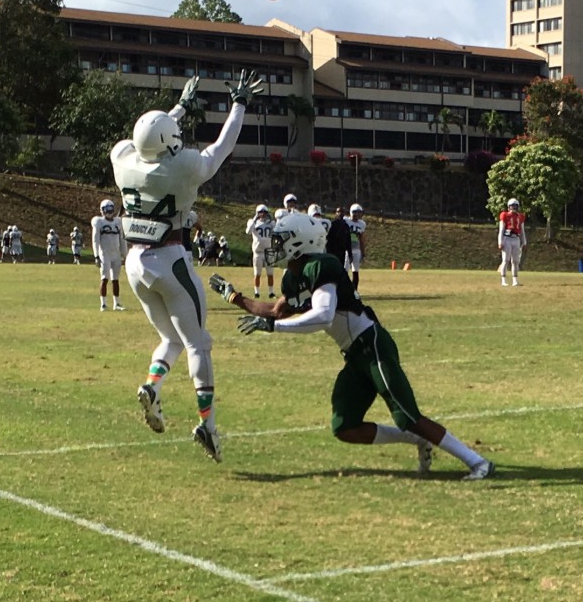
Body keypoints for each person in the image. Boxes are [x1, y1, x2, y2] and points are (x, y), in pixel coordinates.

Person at [209, 213, 495, 480]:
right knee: (344, 426)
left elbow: (323, 315)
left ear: (299, 241)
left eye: (281, 240)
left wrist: (276, 328)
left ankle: (478, 462)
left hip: (371, 345)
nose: (275, 245)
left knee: (408, 415)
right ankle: (415, 438)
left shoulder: (321, 265)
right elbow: (275, 311)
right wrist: (235, 297)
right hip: (354, 354)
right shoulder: (294, 276)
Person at [109, 69, 263, 463]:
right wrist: (239, 106)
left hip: (135, 263)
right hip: (170, 259)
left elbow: (145, 141)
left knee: (172, 339)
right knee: (199, 342)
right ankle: (207, 423)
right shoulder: (182, 168)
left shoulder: (122, 158)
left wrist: (178, 108)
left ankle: (153, 386)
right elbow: (222, 147)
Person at [91, 199, 127, 311]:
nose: (109, 211)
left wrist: (125, 255)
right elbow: (95, 240)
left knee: (115, 279)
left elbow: (122, 239)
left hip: (116, 254)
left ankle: (116, 303)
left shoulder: (118, 221)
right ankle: (103, 304)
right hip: (104, 254)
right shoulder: (99, 222)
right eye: (107, 209)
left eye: (111, 208)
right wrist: (96, 255)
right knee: (104, 279)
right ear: (102, 210)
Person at [245, 204, 276, 298]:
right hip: (258, 252)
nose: (262, 214)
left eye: (264, 212)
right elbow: (248, 232)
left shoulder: (271, 223)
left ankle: (271, 292)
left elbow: (276, 231)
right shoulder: (253, 222)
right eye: (260, 212)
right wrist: (253, 221)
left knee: (270, 274)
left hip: (269, 251)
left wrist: (272, 221)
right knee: (257, 274)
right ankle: (256, 292)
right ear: (257, 213)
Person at [498, 198, 527, 287]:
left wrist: (524, 241)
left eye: (515, 205)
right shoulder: (505, 215)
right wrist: (500, 241)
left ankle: (515, 280)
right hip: (507, 238)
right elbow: (501, 229)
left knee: (515, 261)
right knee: (505, 260)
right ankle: (503, 280)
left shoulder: (520, 216)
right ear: (509, 206)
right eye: (512, 205)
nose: (514, 207)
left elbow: (522, 230)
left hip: (516, 239)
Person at [345, 203, 366, 292]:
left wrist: (363, 251)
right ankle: (344, 290)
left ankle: (354, 291)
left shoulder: (362, 224)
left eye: (358, 212)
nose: (357, 214)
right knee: (345, 271)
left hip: (356, 249)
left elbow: (362, 238)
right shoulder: (346, 221)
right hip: (347, 249)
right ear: (350, 212)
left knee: (355, 271)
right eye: (355, 212)